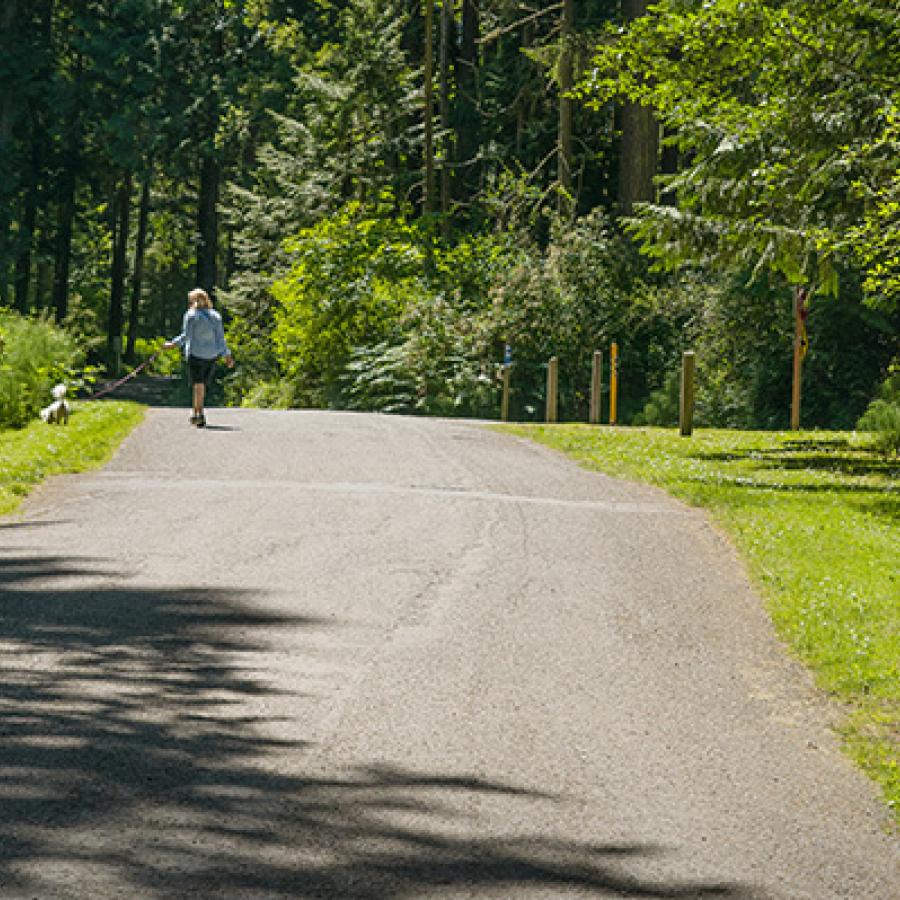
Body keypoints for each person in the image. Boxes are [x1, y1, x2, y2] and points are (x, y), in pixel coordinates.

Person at [164, 288, 234, 427]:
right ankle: (196, 413)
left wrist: (172, 344)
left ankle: (198, 412)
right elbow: (220, 338)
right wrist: (227, 355)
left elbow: (186, 336)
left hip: (195, 354)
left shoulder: (191, 315)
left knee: (198, 385)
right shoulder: (215, 316)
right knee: (202, 385)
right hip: (211, 355)